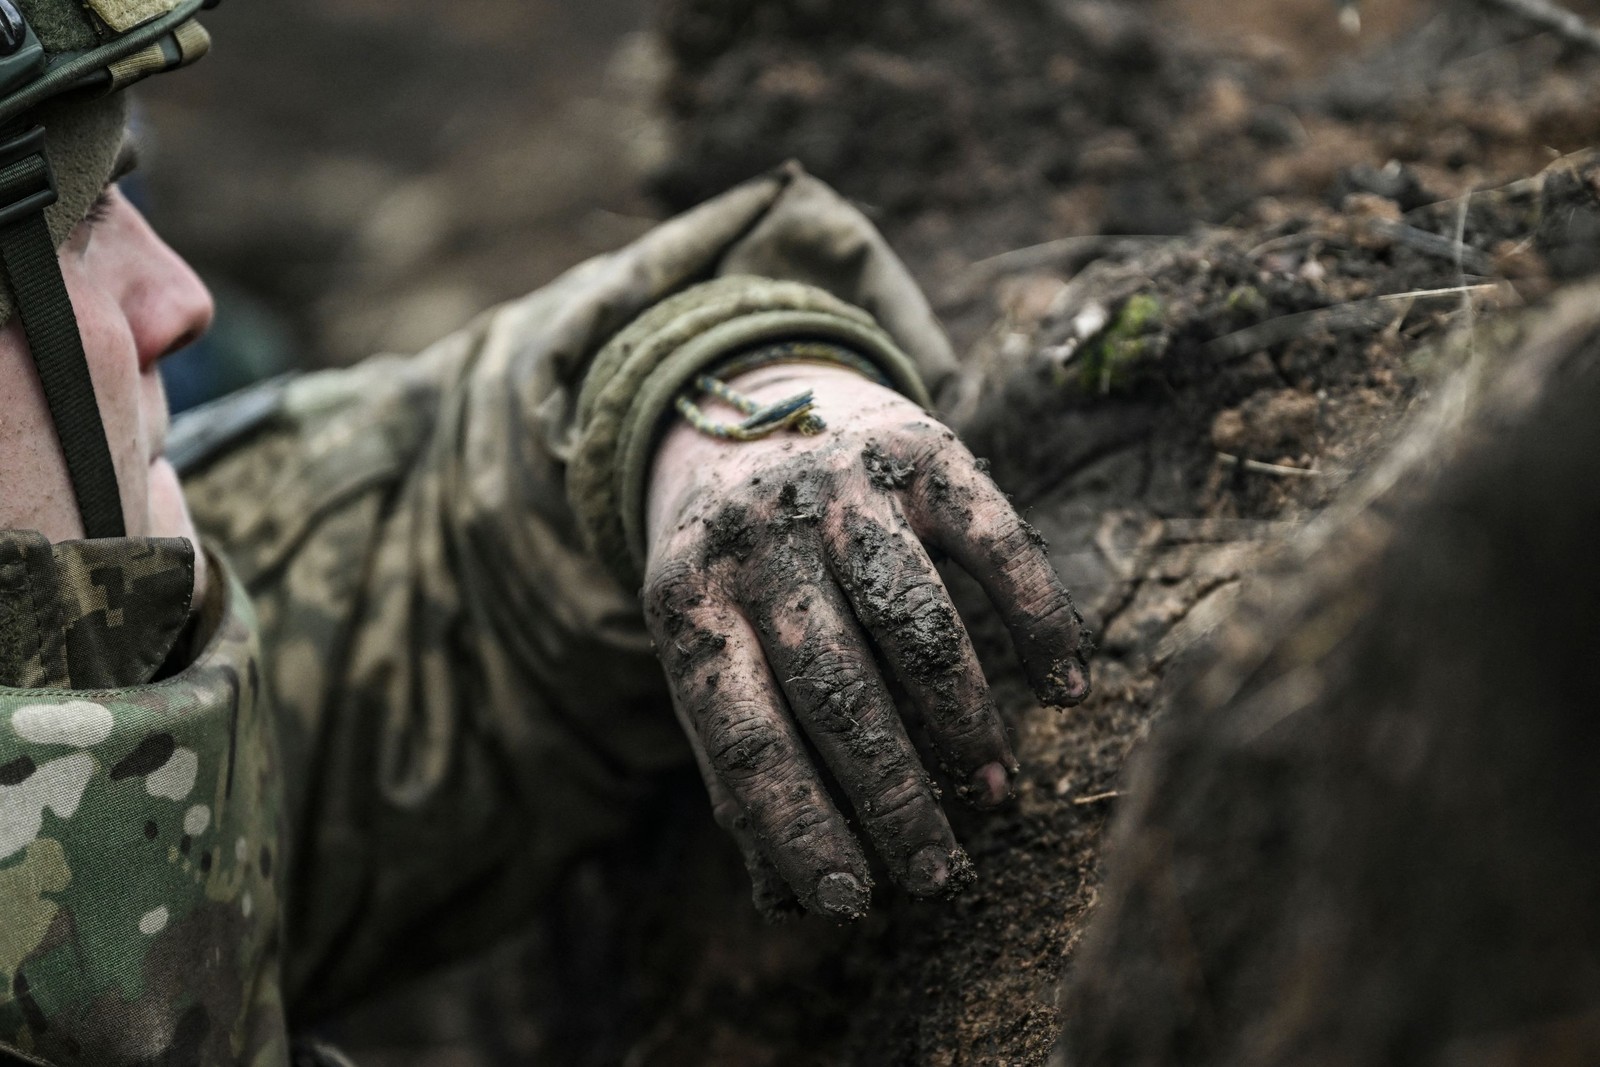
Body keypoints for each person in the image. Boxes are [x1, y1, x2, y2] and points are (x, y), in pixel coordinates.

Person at [0, 0, 1092, 1062]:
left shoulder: (77, 674)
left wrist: (716, 410)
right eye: (80, 216)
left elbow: (437, 540)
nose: (179, 299)